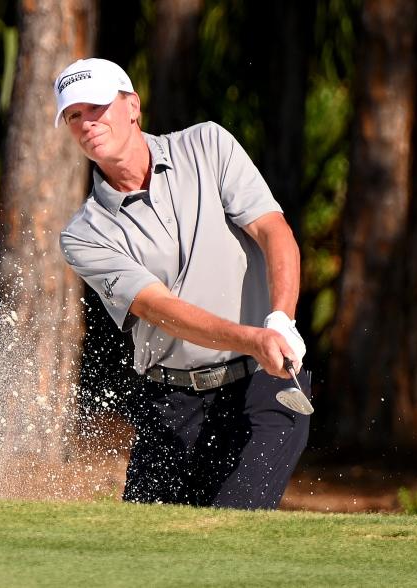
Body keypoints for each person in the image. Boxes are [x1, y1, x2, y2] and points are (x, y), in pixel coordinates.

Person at [54, 58, 310, 509]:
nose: (87, 123)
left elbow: (274, 230)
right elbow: (158, 309)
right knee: (145, 557)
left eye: (97, 106)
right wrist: (255, 337)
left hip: (263, 386)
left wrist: (281, 320)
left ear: (132, 106)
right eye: (74, 115)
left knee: (231, 530)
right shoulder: (84, 233)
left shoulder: (207, 145)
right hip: (171, 403)